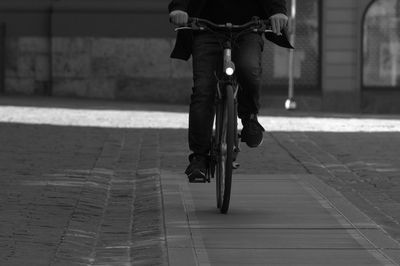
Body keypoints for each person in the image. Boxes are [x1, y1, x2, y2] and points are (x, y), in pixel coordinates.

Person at [168, 0, 289, 181]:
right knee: (203, 90)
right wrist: (179, 9)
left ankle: (249, 118)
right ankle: (199, 157)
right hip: (205, 29)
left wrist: (278, 11)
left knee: (249, 69)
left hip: (248, 29)